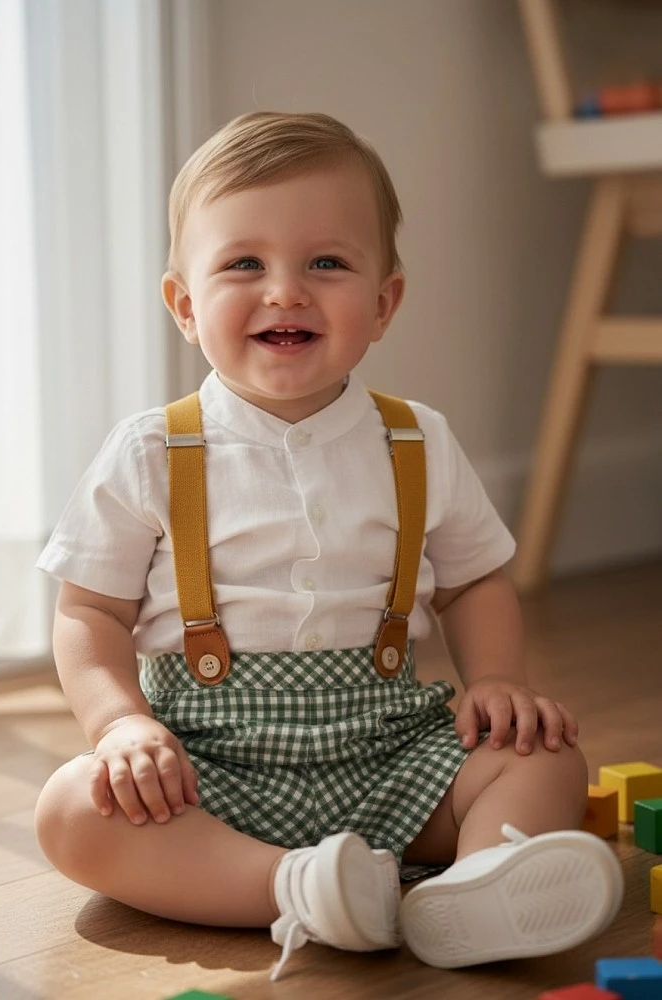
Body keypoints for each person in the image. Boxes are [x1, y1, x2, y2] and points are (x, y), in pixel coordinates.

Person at [34, 111, 623, 981]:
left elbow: (472, 583)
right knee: (72, 809)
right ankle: (296, 888)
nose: (286, 291)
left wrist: (497, 682)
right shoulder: (150, 452)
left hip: (387, 753)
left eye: (327, 263)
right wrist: (120, 723)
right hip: (209, 768)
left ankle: (482, 885)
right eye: (244, 264)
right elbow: (89, 610)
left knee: (543, 759)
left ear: (383, 302)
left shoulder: (417, 441)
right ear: (187, 306)